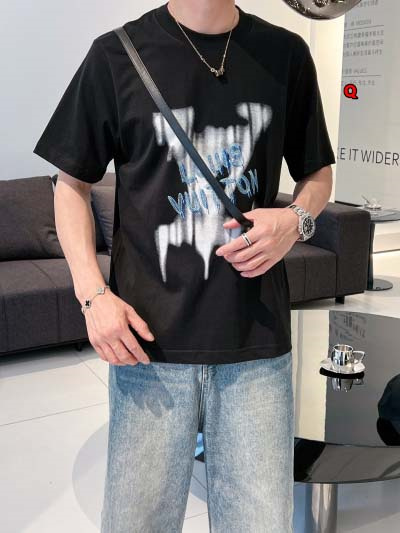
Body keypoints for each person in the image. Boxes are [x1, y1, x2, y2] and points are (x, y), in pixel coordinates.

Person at [33, 1, 335, 531]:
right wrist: (92, 296)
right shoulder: (116, 55)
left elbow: (318, 174)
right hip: (148, 346)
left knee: (260, 523)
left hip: (255, 342)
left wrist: (296, 220)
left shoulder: (285, 54)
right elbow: (71, 184)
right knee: (137, 523)